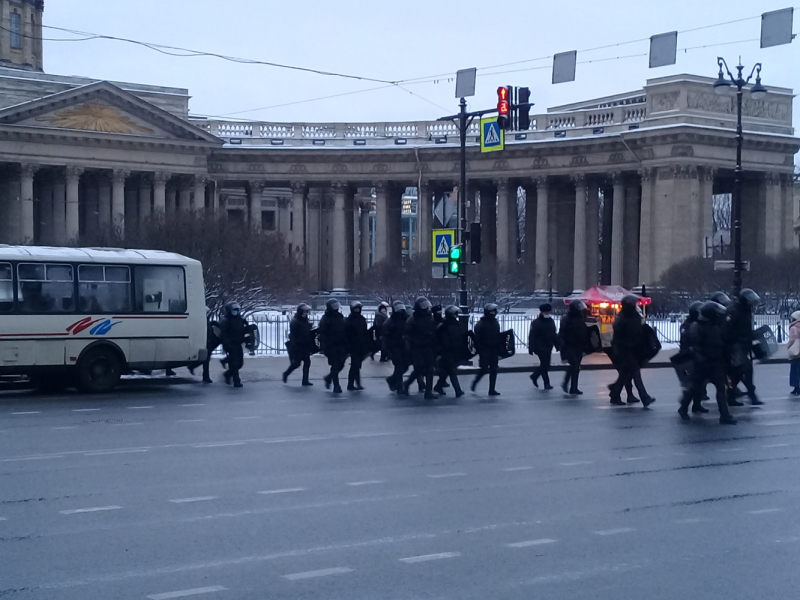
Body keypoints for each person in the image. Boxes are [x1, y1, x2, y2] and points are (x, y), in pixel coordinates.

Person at [679, 301, 736, 425]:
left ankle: (725, 416)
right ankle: (683, 408)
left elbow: (720, 344)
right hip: (703, 364)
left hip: (715, 362)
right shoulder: (697, 327)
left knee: (720, 388)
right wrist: (702, 362)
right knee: (695, 387)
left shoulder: (713, 326)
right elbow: (696, 348)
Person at [608, 295, 655, 407]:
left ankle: (614, 393)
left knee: (624, 375)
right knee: (635, 374)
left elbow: (640, 331)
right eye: (633, 304)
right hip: (625, 350)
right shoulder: (621, 318)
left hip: (634, 349)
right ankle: (645, 397)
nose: (635, 306)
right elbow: (618, 336)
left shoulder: (635, 316)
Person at [722, 288, 763, 406]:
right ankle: (733, 394)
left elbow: (746, 330)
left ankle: (748, 395)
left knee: (746, 371)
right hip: (735, 346)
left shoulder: (746, 311)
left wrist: (752, 339)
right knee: (740, 371)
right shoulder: (734, 311)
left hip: (744, 345)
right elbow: (726, 330)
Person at [403, 296, 438, 400]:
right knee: (420, 368)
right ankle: (407, 383)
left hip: (428, 346)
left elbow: (433, 331)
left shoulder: (429, 317)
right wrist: (409, 346)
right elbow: (407, 334)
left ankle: (428, 391)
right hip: (416, 347)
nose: (425, 308)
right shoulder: (412, 319)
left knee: (430, 369)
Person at [677, 301, 707, 412]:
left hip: (697, 356)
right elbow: (686, 342)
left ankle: (697, 404)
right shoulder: (688, 325)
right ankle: (685, 404)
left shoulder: (697, 323)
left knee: (700, 382)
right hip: (689, 357)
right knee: (693, 383)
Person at [317, 298, 348, 394]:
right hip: (331, 345)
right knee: (335, 365)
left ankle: (329, 377)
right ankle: (336, 385)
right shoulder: (326, 318)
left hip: (341, 344)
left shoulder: (340, 316)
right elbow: (323, 332)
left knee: (341, 364)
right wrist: (325, 345)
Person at [434, 305, 465, 397]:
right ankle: (458, 391)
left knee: (446, 372)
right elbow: (440, 340)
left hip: (453, 351)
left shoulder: (455, 324)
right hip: (446, 352)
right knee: (451, 371)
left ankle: (438, 386)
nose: (456, 315)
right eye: (454, 314)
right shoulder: (444, 325)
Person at [471, 303, 502, 396]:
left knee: (494, 369)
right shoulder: (481, 324)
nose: (494, 313)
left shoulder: (495, 322)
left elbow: (497, 335)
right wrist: (480, 349)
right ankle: (475, 382)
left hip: (494, 349)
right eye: (492, 312)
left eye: (494, 311)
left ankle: (492, 389)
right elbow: (477, 338)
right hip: (485, 349)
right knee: (484, 369)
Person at [558, 299, 587, 396]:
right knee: (574, 365)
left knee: (576, 367)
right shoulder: (567, 319)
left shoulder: (580, 318)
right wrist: (562, 348)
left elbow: (584, 331)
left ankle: (574, 387)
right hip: (569, 346)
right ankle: (566, 383)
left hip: (579, 346)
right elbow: (562, 333)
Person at [528, 303, 560, 390]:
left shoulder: (551, 321)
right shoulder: (536, 323)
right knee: (545, 364)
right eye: (545, 312)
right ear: (542, 312)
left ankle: (534, 376)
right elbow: (532, 336)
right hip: (539, 346)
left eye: (548, 312)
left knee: (545, 365)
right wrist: (531, 348)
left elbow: (554, 334)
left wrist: (557, 345)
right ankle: (546, 383)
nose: (547, 314)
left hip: (548, 346)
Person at [282, 303, 315, 386]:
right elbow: (294, 334)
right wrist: (295, 345)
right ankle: (286, 373)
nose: (305, 313)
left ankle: (305, 380)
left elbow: (307, 331)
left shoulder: (305, 320)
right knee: (296, 363)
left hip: (305, 345)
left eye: (306, 312)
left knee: (307, 362)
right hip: (298, 346)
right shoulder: (296, 321)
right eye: (304, 312)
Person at [219, 302, 248, 388]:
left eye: (237, 309)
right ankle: (236, 381)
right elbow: (224, 334)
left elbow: (245, 329)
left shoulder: (240, 319)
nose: (236, 311)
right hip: (231, 344)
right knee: (234, 364)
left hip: (238, 343)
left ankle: (227, 374)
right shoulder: (226, 321)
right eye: (234, 309)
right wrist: (227, 344)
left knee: (240, 363)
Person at [383, 301, 409, 392]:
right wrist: (387, 349)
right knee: (399, 366)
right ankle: (399, 386)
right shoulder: (390, 321)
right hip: (394, 346)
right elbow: (385, 336)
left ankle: (392, 380)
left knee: (405, 365)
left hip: (404, 345)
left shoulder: (406, 319)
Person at [345, 300, 370, 391]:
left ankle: (355, 383)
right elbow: (347, 334)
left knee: (357, 365)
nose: (357, 310)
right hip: (354, 345)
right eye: (355, 309)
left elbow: (364, 332)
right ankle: (351, 384)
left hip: (361, 345)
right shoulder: (349, 320)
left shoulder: (362, 319)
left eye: (358, 309)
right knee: (355, 365)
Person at [788, 310, 800, 396]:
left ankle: (796, 387)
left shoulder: (794, 327)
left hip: (796, 352)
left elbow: (792, 339)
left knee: (794, 370)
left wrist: (788, 346)